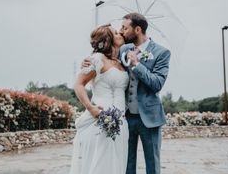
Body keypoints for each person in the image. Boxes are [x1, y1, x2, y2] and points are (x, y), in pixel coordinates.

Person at [82, 13, 171, 174]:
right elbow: (107, 60)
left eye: (125, 27)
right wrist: (89, 60)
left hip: (149, 118)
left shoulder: (161, 52)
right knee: (126, 163)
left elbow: (157, 83)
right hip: (125, 117)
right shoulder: (123, 49)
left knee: (152, 164)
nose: (121, 31)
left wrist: (137, 64)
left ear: (137, 29)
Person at [70, 24, 129, 174]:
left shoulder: (122, 61)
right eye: (116, 33)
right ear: (108, 39)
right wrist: (91, 108)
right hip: (101, 117)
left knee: (116, 164)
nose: (120, 34)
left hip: (121, 121)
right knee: (100, 165)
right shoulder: (97, 59)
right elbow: (78, 85)